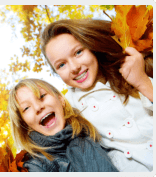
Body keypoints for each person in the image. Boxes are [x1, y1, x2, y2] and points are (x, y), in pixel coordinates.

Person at [41, 19, 153, 172]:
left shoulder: (130, 68)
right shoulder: (70, 104)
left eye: (78, 52)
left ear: (91, 46)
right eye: (61, 65)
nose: (74, 67)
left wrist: (142, 82)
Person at [8, 78, 118, 172]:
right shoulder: (35, 165)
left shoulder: (92, 133)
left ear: (61, 100)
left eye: (42, 96)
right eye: (26, 108)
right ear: (25, 125)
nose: (38, 107)